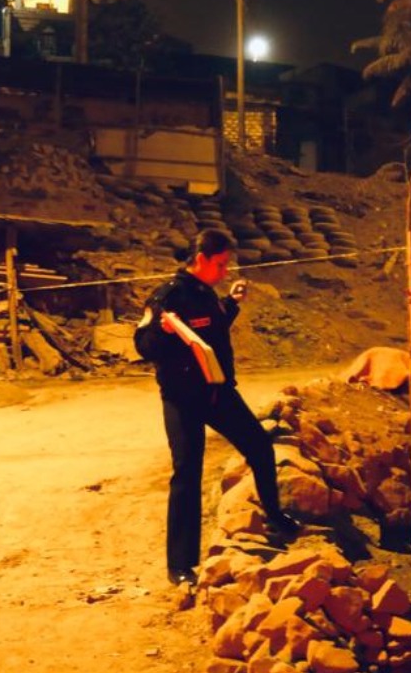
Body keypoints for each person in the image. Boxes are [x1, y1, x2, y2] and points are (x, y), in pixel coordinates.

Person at [134, 229, 300, 586]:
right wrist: (162, 332)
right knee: (186, 474)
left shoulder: (206, 294)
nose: (225, 271)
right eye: (221, 264)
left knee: (259, 446)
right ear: (202, 259)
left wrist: (232, 303)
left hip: (218, 392)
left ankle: (274, 515)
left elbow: (213, 327)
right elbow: (142, 345)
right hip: (182, 399)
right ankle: (179, 566)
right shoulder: (167, 297)